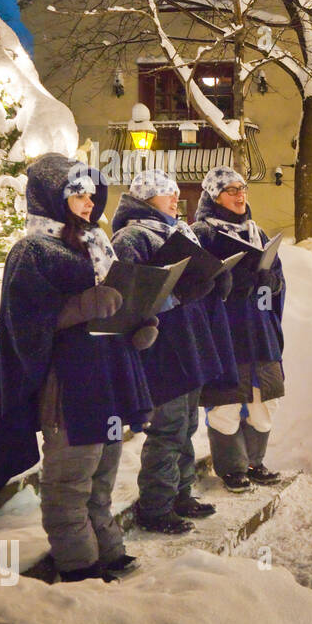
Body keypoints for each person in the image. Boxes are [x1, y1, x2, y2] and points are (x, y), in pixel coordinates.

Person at [0, 155, 158, 583]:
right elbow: (23, 325)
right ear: (52, 196)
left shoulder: (97, 242)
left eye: (91, 193)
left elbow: (113, 305)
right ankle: (79, 567)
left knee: (101, 478)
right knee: (68, 485)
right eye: (77, 193)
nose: (88, 202)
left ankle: (109, 550)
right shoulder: (32, 251)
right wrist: (81, 307)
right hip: (69, 388)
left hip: (109, 378)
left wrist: (136, 324)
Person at [112, 169, 237, 534]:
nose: (174, 197)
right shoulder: (131, 236)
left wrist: (215, 280)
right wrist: (177, 293)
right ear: (146, 198)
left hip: (189, 342)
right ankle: (156, 506)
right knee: (167, 429)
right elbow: (131, 295)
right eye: (166, 192)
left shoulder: (176, 230)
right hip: (161, 347)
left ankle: (181, 494)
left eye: (175, 192)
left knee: (187, 425)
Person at [193, 167, 286, 492]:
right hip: (225, 336)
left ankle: (254, 462)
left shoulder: (257, 233)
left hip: (260, 335)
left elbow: (278, 281)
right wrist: (230, 284)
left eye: (242, 188)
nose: (239, 194)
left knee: (265, 402)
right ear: (213, 195)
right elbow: (196, 288)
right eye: (230, 190)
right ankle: (231, 468)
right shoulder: (202, 234)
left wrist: (269, 282)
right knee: (226, 404)